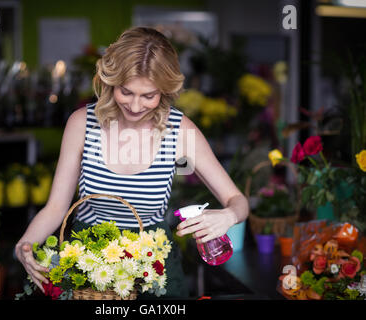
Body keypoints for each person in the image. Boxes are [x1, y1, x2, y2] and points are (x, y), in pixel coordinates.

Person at [15, 26, 249, 298]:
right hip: (88, 261)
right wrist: (25, 243)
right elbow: (56, 208)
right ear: (110, 81)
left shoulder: (180, 131)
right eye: (126, 92)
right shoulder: (82, 124)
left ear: (164, 90)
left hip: (153, 265)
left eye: (149, 96)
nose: (136, 106)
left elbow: (238, 200)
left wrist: (228, 216)